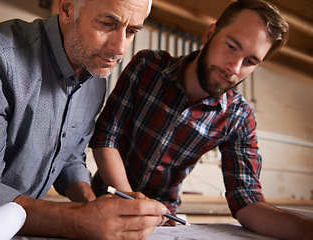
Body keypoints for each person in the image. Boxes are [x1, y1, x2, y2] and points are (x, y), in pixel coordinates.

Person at [89, 0, 313, 239]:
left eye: (250, 62)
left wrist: (306, 229)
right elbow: (106, 137)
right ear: (210, 33)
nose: (234, 68)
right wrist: (128, 199)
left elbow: (246, 199)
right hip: (104, 202)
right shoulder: (147, 66)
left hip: (163, 221)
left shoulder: (238, 117)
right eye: (231, 46)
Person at [0, 0, 170, 239]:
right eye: (108, 24)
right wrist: (79, 219)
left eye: (131, 32)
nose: (120, 48)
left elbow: (70, 159)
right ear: (67, 9)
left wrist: (93, 205)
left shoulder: (95, 79)